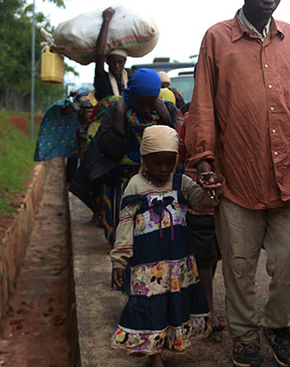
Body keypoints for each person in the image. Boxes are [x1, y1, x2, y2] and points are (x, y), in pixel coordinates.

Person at [187, 0, 290, 367]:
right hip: (238, 177)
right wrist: (204, 158)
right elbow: (203, 102)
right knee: (240, 266)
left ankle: (279, 327)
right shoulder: (217, 38)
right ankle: (245, 338)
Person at [109, 125, 222, 366]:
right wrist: (119, 261)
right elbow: (125, 224)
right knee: (150, 307)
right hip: (148, 265)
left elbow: (202, 203)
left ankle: (168, 344)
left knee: (173, 304)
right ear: (145, 159)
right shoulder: (135, 186)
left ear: (176, 161)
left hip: (178, 263)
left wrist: (211, 189)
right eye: (157, 163)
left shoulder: (181, 183)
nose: (163, 169)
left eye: (169, 163)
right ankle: (154, 355)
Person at [73, 68, 176, 245]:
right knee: (122, 232)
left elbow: (171, 145)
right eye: (141, 103)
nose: (146, 109)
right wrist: (120, 116)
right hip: (119, 178)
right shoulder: (115, 108)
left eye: (151, 104)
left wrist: (166, 118)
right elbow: (110, 150)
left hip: (155, 178)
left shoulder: (165, 110)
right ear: (132, 97)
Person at [176, 100, 225, 332]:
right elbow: (179, 154)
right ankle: (207, 310)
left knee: (210, 255)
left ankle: (205, 305)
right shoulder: (188, 117)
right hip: (200, 198)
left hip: (219, 197)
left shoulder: (189, 116)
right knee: (205, 256)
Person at [94, 7, 129, 101]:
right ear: (107, 61)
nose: (116, 65)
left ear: (125, 62)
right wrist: (106, 21)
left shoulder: (129, 78)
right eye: (113, 62)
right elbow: (99, 54)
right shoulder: (102, 78)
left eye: (120, 62)